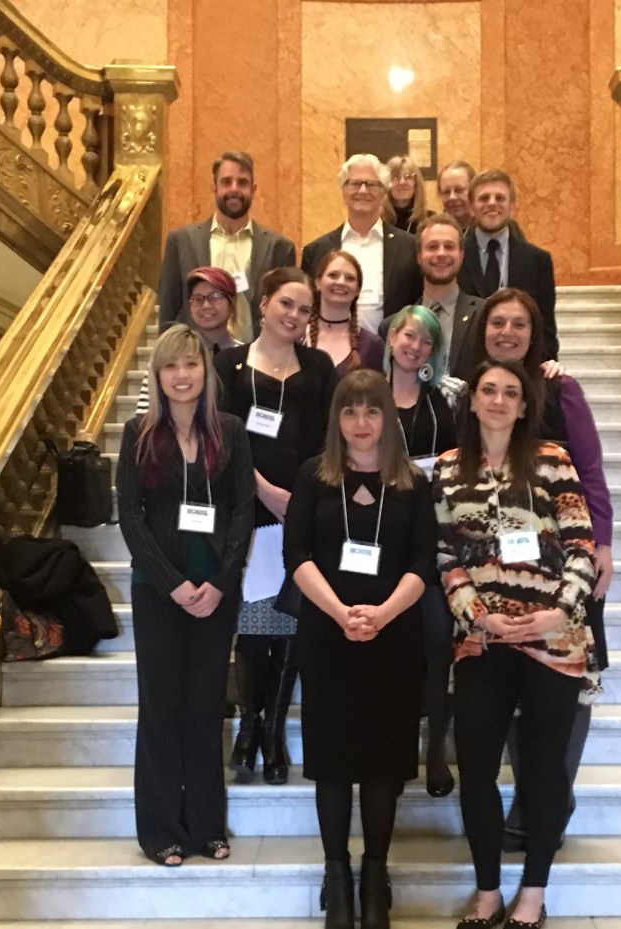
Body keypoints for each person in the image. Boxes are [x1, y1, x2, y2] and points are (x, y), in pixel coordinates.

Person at [434, 360, 599, 929]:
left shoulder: (553, 460)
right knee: (477, 766)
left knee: (544, 768)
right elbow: (444, 557)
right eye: (489, 391)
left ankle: (533, 891)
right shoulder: (449, 470)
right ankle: (488, 892)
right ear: (472, 401)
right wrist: (479, 616)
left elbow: (581, 544)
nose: (500, 400)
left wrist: (558, 612)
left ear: (525, 405)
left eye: (511, 393)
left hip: (554, 640)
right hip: (483, 641)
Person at [465, 287, 615, 855]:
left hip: (565, 566)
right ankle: (529, 794)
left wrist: (601, 543)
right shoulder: (476, 390)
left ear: (535, 333)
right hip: (497, 572)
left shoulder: (559, 388)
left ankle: (550, 797)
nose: (507, 332)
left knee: (566, 689)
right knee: (509, 677)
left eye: (518, 324)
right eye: (496, 322)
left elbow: (591, 471)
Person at [284, 369, 437, 929]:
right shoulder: (313, 476)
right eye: (350, 412)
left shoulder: (413, 484)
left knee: (380, 764)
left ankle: (375, 874)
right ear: (337, 419)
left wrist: (382, 614)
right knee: (331, 763)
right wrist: (341, 613)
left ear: (388, 419)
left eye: (372, 411)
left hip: (394, 639)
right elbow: (295, 554)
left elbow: (424, 563)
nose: (361, 422)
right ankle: (336, 876)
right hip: (328, 637)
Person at [116, 324, 256, 866]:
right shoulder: (137, 435)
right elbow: (129, 514)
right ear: (157, 376)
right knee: (161, 708)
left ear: (205, 372)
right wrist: (173, 583)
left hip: (215, 594)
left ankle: (206, 825)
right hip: (158, 590)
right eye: (171, 366)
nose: (182, 375)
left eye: (191, 365)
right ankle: (159, 830)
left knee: (205, 708)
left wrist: (220, 584)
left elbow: (244, 510)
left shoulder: (230, 432)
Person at [215, 267, 337, 787]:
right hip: (248, 509)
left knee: (289, 623)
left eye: (304, 309)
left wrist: (304, 499)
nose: (294, 315)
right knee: (251, 626)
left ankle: (273, 734)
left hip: (302, 513)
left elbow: (331, 440)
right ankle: (249, 724)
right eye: (286, 303)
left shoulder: (319, 365)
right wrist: (265, 490)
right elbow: (220, 436)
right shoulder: (229, 364)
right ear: (263, 304)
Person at [383, 305, 458, 798]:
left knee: (436, 640)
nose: (415, 346)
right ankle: (396, 740)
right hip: (379, 538)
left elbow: (454, 466)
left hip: (429, 537)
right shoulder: (368, 396)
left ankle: (435, 749)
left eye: (426, 341)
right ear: (392, 338)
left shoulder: (441, 403)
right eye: (409, 336)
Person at [159, 151, 296, 340]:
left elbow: (286, 314)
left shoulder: (279, 248)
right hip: (197, 361)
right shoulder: (181, 242)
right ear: (214, 187)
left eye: (242, 183)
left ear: (253, 189)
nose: (234, 189)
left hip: (256, 360)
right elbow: (168, 311)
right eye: (226, 182)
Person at [302, 153, 422, 335]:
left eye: (371, 184)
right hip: (332, 354)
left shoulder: (409, 247)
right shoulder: (317, 250)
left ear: (383, 194)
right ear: (344, 192)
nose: (363, 191)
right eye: (355, 184)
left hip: (392, 354)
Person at [458, 170, 559, 360]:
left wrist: (548, 369)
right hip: (468, 366)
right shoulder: (456, 256)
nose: (492, 203)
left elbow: (546, 328)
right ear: (472, 207)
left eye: (500, 198)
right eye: (484, 198)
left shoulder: (538, 261)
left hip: (522, 368)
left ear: (512, 206)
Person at [136, 267, 242, 415]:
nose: (206, 305)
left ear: (232, 303)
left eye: (215, 297)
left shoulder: (246, 356)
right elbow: (145, 412)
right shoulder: (167, 352)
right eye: (198, 299)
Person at [413, 214, 485, 376]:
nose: (441, 253)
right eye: (432, 247)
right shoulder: (398, 322)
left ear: (461, 255)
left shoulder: (485, 315)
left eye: (449, 247)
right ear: (419, 256)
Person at [307, 250, 386, 378]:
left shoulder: (373, 346)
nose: (341, 282)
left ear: (358, 290)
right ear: (317, 283)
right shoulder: (296, 338)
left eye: (350, 278)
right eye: (333, 275)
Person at [382, 154, 432, 235]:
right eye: (395, 177)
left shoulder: (430, 220)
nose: (402, 182)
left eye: (408, 177)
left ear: (416, 183)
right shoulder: (378, 221)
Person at [437, 159, 476, 232]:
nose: (452, 197)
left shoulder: (487, 229)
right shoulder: (434, 232)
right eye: (446, 191)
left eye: (459, 190)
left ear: (474, 190)